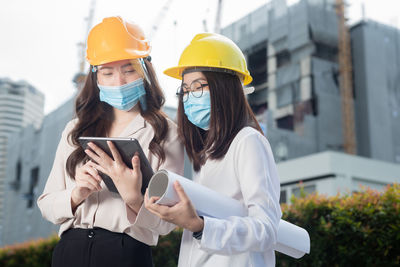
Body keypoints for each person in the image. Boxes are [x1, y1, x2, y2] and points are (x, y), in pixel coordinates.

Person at [37, 16, 183, 267]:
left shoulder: (165, 132)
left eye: (128, 70)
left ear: (145, 69)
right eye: (107, 72)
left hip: (126, 252)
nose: (119, 82)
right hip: (69, 251)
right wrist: (76, 194)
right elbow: (47, 206)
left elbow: (166, 223)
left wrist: (133, 197)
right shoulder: (75, 130)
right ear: (95, 77)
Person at [144, 33, 282, 266]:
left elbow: (266, 229)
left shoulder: (248, 141)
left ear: (225, 88)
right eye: (185, 90)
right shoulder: (208, 153)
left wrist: (200, 226)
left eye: (197, 87)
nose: (188, 98)